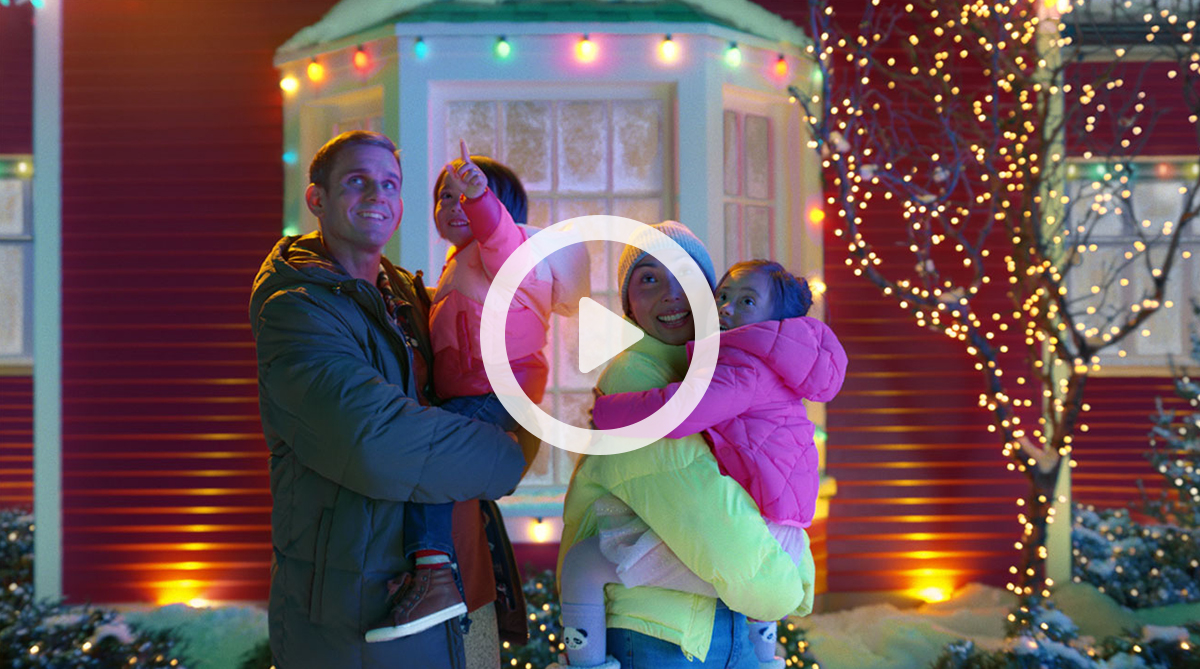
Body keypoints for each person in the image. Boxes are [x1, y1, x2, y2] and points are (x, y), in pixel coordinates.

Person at [249, 130, 527, 668]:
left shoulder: (408, 293)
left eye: (390, 184)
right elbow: (376, 442)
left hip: (467, 583)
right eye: (357, 181)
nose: (377, 195)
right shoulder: (296, 308)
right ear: (317, 199)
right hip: (366, 602)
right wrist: (510, 451)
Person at [554, 223, 815, 669]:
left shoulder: (724, 375)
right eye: (649, 278)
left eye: (686, 276)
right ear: (629, 306)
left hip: (726, 623)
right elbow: (701, 509)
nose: (672, 294)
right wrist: (788, 585)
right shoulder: (634, 378)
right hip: (659, 635)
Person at [364, 141, 587, 644]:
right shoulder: (458, 264)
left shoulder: (511, 254)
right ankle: (433, 569)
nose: (453, 205)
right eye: (445, 197)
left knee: (430, 463)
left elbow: (499, 235)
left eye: (467, 196)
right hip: (473, 391)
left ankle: (435, 574)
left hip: (495, 390)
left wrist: (479, 198)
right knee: (432, 464)